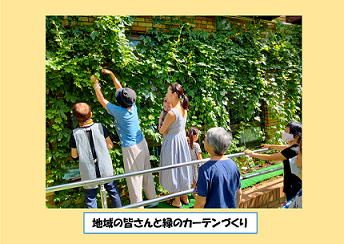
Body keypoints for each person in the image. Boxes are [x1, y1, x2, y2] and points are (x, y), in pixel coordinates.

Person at [90, 69, 156, 208]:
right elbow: (121, 91)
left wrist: (96, 84)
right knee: (146, 173)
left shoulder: (120, 112)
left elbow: (101, 99)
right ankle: (152, 199)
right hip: (141, 144)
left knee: (134, 179)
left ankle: (138, 208)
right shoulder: (132, 106)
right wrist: (112, 75)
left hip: (131, 148)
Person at [69, 102, 122, 208]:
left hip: (88, 170)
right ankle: (120, 215)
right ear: (91, 114)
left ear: (75, 117)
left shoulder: (75, 134)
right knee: (113, 192)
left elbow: (74, 155)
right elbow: (110, 145)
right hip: (105, 166)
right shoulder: (100, 127)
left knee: (90, 198)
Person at [244, 121, 302, 201]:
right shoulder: (298, 147)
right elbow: (285, 148)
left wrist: (253, 154)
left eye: (287, 132)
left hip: (293, 187)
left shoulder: (292, 150)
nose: (284, 133)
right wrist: (271, 146)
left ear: (296, 136)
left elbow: (270, 157)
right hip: (298, 184)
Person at [159, 83, 193, 208]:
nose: (166, 94)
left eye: (168, 92)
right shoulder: (184, 109)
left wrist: (160, 123)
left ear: (174, 95)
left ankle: (176, 200)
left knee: (173, 168)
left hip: (172, 142)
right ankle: (185, 197)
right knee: (181, 168)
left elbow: (162, 131)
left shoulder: (171, 113)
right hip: (181, 141)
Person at [193, 127, 242, 208]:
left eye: (206, 137)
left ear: (211, 145)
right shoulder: (233, 164)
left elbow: (200, 203)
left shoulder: (205, 170)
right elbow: (239, 193)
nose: (204, 139)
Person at [187, 127, 203, 199]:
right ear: (194, 136)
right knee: (195, 180)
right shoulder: (196, 145)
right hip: (195, 165)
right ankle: (194, 193)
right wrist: (202, 164)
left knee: (189, 179)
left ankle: (187, 193)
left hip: (188, 164)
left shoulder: (185, 143)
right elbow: (199, 156)